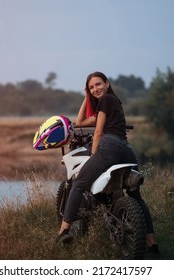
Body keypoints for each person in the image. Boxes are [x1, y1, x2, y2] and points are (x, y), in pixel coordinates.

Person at [56, 71, 159, 257]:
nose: (95, 89)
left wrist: (95, 154)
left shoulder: (105, 100)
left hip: (109, 148)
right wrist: (86, 96)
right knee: (137, 198)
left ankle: (63, 231)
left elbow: (98, 132)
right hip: (127, 152)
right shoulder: (114, 103)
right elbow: (80, 122)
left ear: (107, 83)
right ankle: (153, 245)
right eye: (91, 87)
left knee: (79, 184)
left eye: (98, 84)